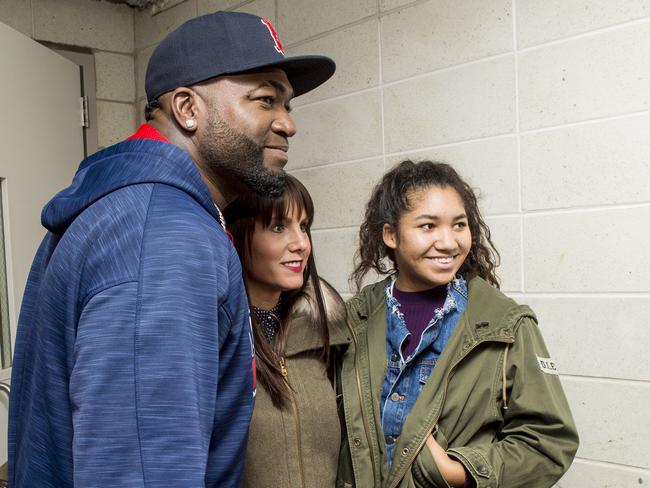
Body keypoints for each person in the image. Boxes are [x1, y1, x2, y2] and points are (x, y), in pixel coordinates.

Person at [8, 11, 335, 488]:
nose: (288, 124)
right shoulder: (163, 237)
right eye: (266, 99)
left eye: (288, 105)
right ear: (187, 108)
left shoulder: (137, 207)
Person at [337, 160, 579, 488]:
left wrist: (460, 472)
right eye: (428, 226)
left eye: (459, 225)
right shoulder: (351, 321)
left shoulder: (506, 326)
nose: (449, 242)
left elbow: (548, 443)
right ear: (391, 235)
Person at [224, 174, 350, 488]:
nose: (301, 244)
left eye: (304, 226)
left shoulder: (328, 333)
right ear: (238, 235)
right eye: (279, 227)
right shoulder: (218, 340)